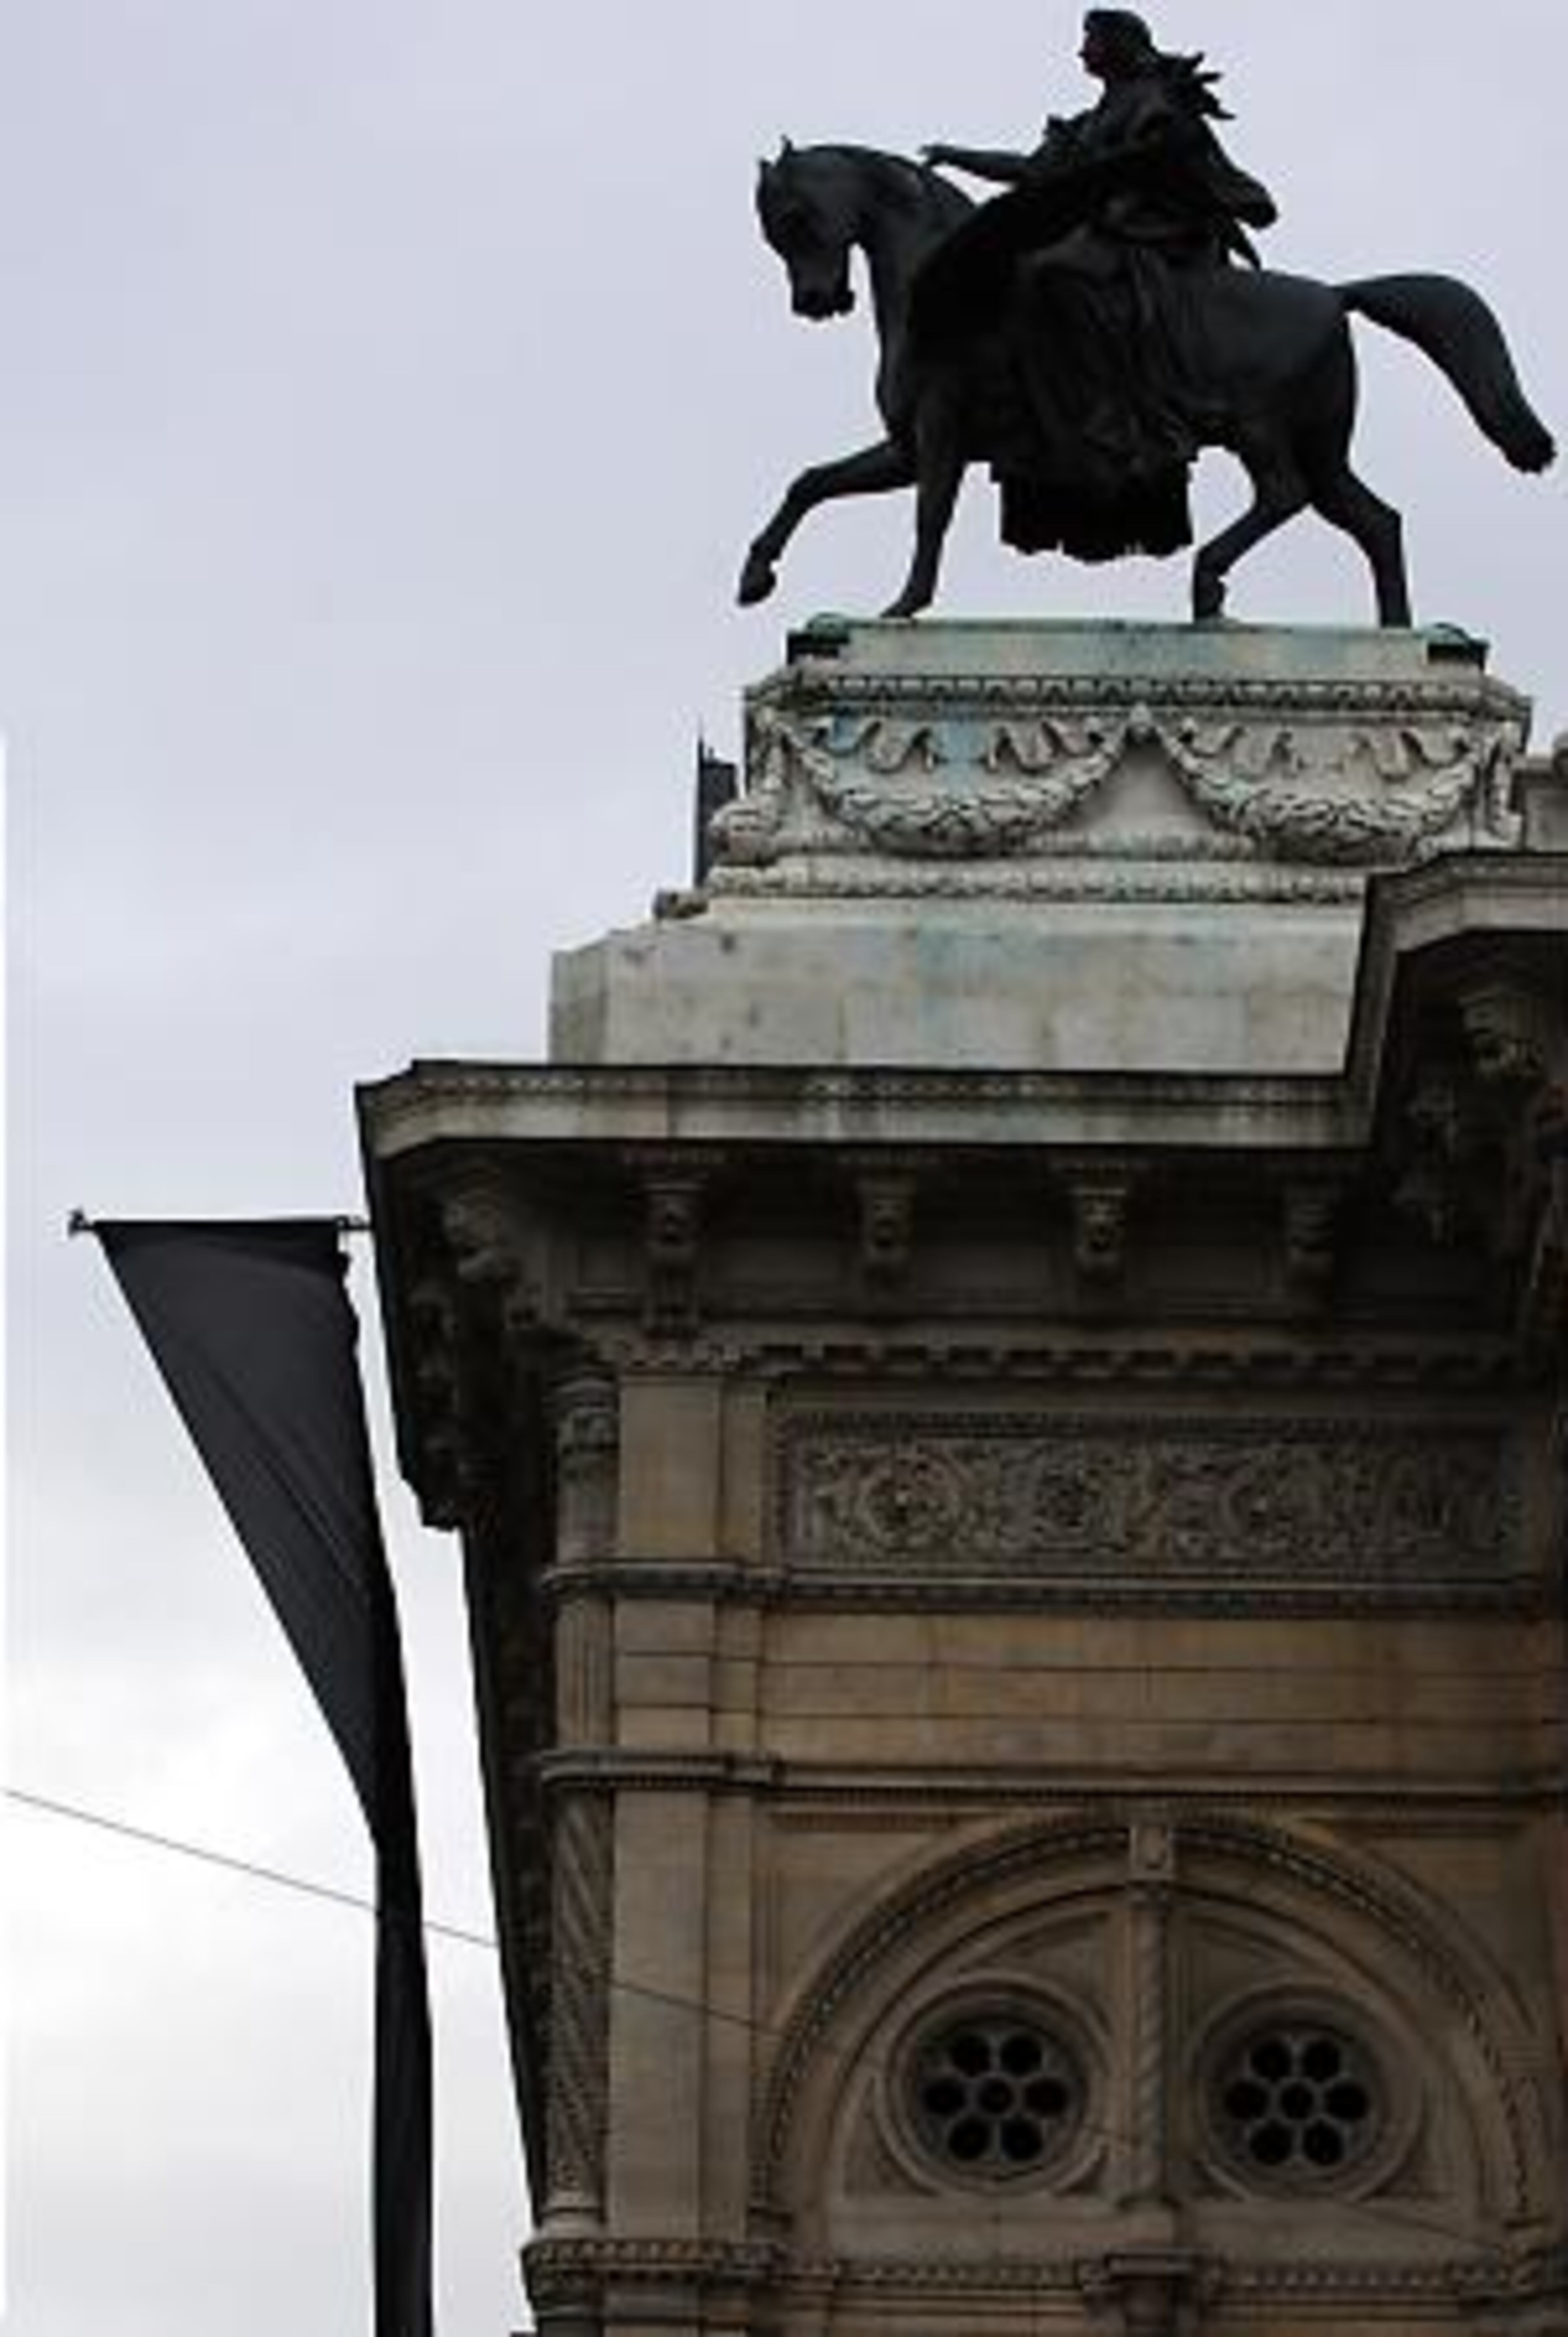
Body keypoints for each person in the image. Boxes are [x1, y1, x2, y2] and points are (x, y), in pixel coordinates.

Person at [917, 10, 1278, 560]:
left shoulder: (1155, 98)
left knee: (1047, 272)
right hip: (1105, 232)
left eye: (1090, 39)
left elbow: (1169, 167)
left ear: (1119, 45)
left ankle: (1108, 415)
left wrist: (1114, 209)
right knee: (1022, 272)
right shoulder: (1092, 120)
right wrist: (955, 156)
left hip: (1147, 239)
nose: (1081, 51)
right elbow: (1031, 170)